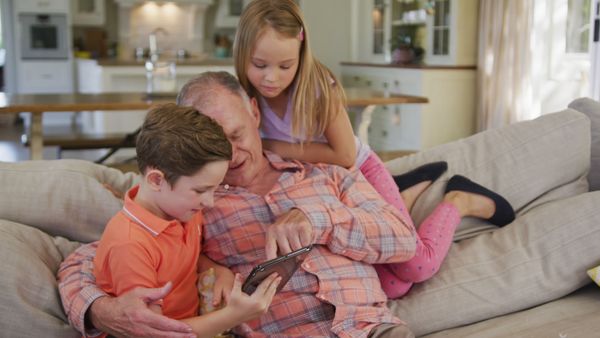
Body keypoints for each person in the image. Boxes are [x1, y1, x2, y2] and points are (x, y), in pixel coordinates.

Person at [58, 71, 515, 338]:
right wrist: (101, 311)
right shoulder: (191, 200)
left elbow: (402, 242)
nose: (232, 156)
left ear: (255, 113)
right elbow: (89, 256)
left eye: (236, 136)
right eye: (217, 146)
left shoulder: (326, 173)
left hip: (370, 328)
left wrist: (319, 219)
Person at [232, 0, 514, 298]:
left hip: (357, 171)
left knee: (417, 267)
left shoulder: (316, 87)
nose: (271, 77)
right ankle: (404, 191)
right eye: (259, 65)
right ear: (242, 56)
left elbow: (345, 155)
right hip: (321, 187)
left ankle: (459, 200)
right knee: (392, 287)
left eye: (285, 66)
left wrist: (276, 147)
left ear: (301, 55)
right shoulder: (243, 98)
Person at [91, 103, 282, 337]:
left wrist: (216, 269)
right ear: (156, 180)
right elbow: (153, 332)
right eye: (201, 190)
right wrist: (233, 316)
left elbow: (181, 257)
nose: (210, 202)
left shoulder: (181, 209)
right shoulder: (130, 245)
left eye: (214, 189)